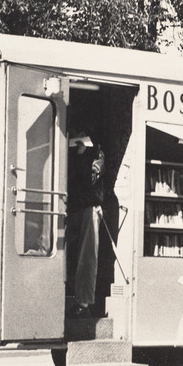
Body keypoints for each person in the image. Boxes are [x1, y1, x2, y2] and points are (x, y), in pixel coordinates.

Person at [66, 125, 104, 317]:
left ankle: (84, 301)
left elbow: (91, 178)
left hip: (89, 208)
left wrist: (80, 156)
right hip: (72, 207)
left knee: (87, 256)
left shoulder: (97, 155)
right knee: (67, 254)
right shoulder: (67, 154)